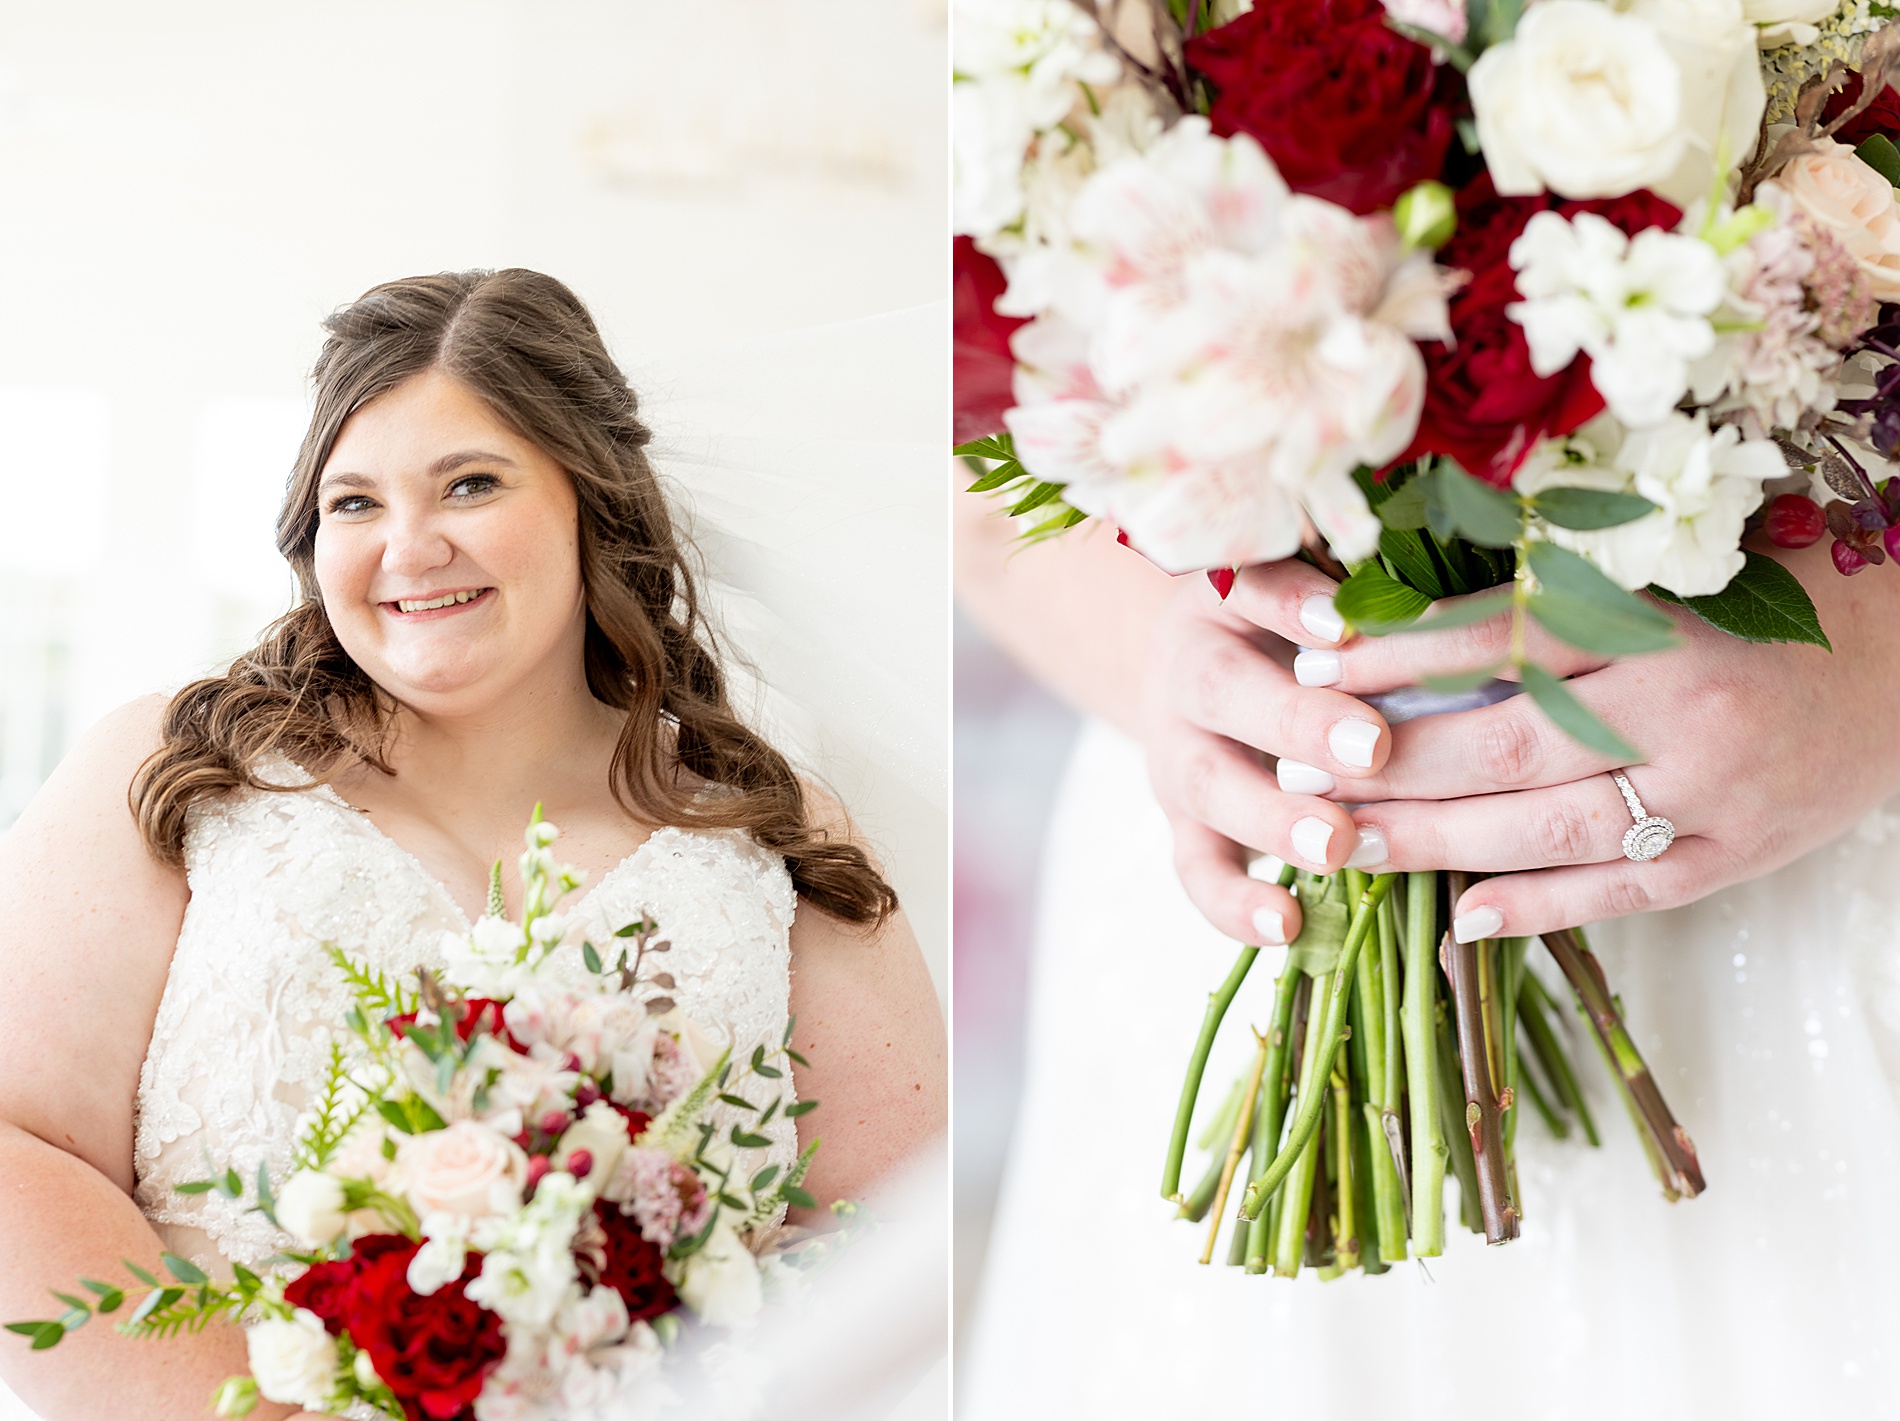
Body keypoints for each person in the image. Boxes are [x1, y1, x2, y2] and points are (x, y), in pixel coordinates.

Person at [0, 270, 947, 1421]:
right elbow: (18, 1144)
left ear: (592, 500)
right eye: (355, 503)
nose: (409, 546)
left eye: (470, 483)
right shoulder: (174, 771)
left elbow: (900, 1226)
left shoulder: (768, 828)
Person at [957, 496, 1900, 1416]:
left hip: (1821, 808)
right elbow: (972, 460)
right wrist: (1222, 693)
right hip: (1255, 807)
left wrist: (1880, 669)